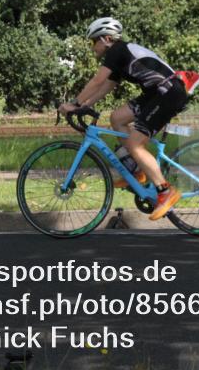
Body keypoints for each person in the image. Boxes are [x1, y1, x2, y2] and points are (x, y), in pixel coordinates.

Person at [58, 17, 190, 221]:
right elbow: (106, 86)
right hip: (156, 93)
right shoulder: (120, 55)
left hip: (168, 93)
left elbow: (97, 80)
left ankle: (165, 191)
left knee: (136, 145)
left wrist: (74, 103)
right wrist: (85, 106)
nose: (93, 47)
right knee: (117, 118)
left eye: (94, 41)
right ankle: (138, 172)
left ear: (107, 39)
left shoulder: (117, 51)